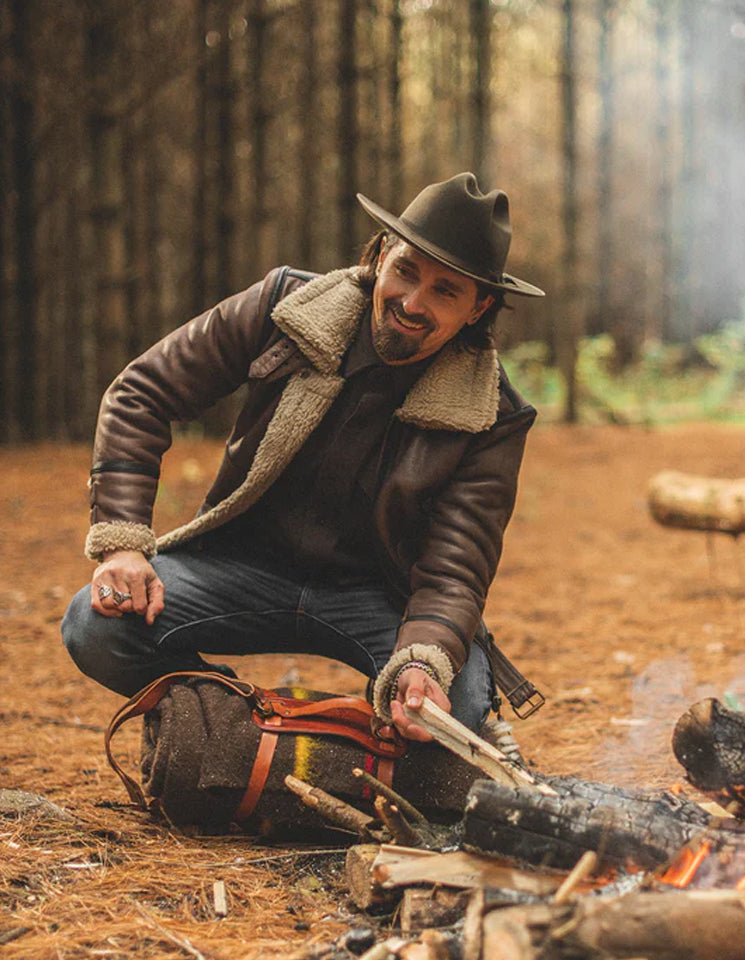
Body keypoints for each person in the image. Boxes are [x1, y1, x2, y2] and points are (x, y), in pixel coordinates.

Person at [61, 172, 544, 743]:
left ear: (478, 307)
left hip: (378, 596)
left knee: (454, 710)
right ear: (383, 253)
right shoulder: (285, 306)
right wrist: (122, 545)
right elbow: (142, 391)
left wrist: (423, 662)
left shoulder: (494, 413)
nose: (412, 303)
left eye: (445, 291)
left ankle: (344, 747)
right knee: (95, 625)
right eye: (407, 270)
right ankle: (230, 723)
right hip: (240, 564)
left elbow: (454, 569)